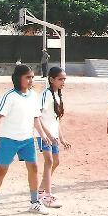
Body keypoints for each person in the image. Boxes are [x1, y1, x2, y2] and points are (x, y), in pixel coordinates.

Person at [0, 64, 53, 216]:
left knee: (34, 168)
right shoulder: (10, 96)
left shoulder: (34, 96)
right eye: (27, 77)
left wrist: (43, 134)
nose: (30, 80)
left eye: (32, 77)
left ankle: (35, 202)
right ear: (18, 78)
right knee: (1, 170)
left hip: (27, 139)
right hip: (8, 139)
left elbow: (36, 118)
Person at [37, 67, 72, 208]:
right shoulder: (45, 95)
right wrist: (47, 135)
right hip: (44, 136)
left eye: (64, 79)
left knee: (55, 162)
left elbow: (56, 120)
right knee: (49, 161)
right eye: (60, 79)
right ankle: (47, 196)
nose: (63, 81)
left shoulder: (57, 95)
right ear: (51, 79)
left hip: (54, 136)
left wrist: (61, 138)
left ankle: (40, 190)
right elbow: (37, 117)